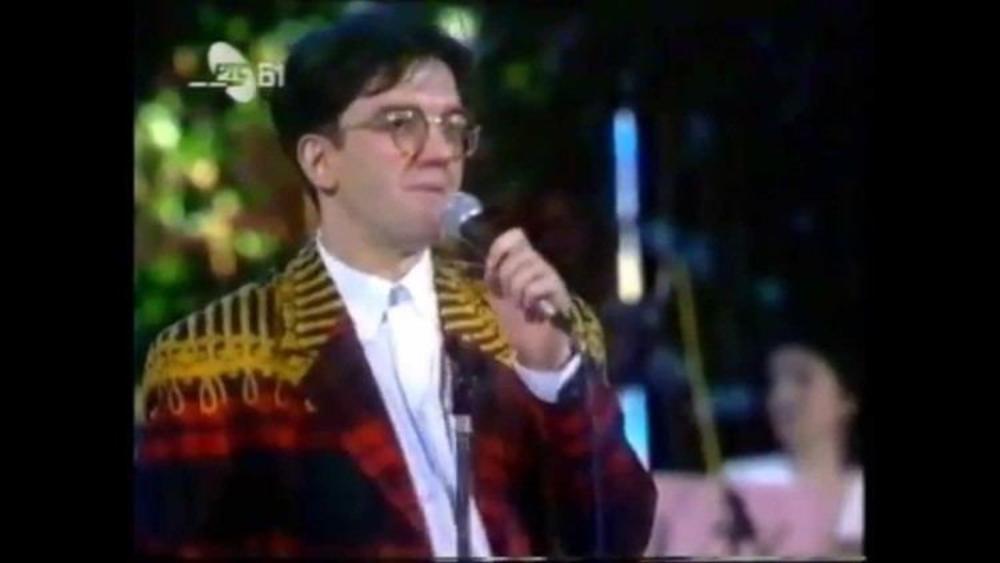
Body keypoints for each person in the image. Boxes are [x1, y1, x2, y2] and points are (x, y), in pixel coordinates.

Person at [134, 8, 655, 558]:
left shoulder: (536, 325)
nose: (440, 152)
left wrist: (551, 375)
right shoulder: (212, 360)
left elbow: (618, 537)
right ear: (320, 161)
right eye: (400, 124)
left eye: (452, 126)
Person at [645, 341, 863, 557]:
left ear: (847, 399)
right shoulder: (739, 481)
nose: (782, 396)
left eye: (802, 380)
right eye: (773, 383)